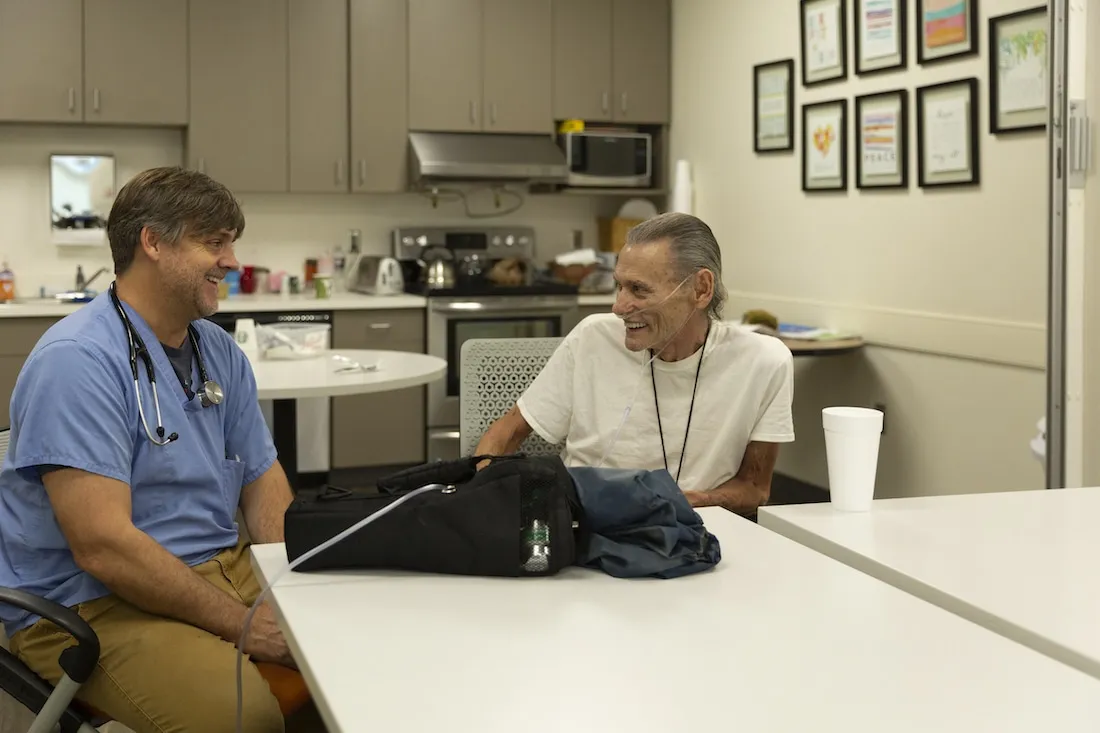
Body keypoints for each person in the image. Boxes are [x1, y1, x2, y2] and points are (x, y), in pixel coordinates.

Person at [0, 167, 299, 733]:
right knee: (244, 716)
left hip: (216, 567)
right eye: (214, 242)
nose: (232, 261)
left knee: (346, 652)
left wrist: (295, 584)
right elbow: (104, 549)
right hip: (90, 602)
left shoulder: (218, 351)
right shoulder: (77, 361)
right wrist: (245, 626)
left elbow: (263, 480)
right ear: (153, 242)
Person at [474, 212, 795, 515]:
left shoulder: (764, 362)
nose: (619, 306)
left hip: (696, 531)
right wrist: (479, 499)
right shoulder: (592, 338)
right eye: (619, 286)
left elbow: (754, 490)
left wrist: (682, 503)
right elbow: (506, 432)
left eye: (638, 289)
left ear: (701, 289)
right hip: (584, 525)